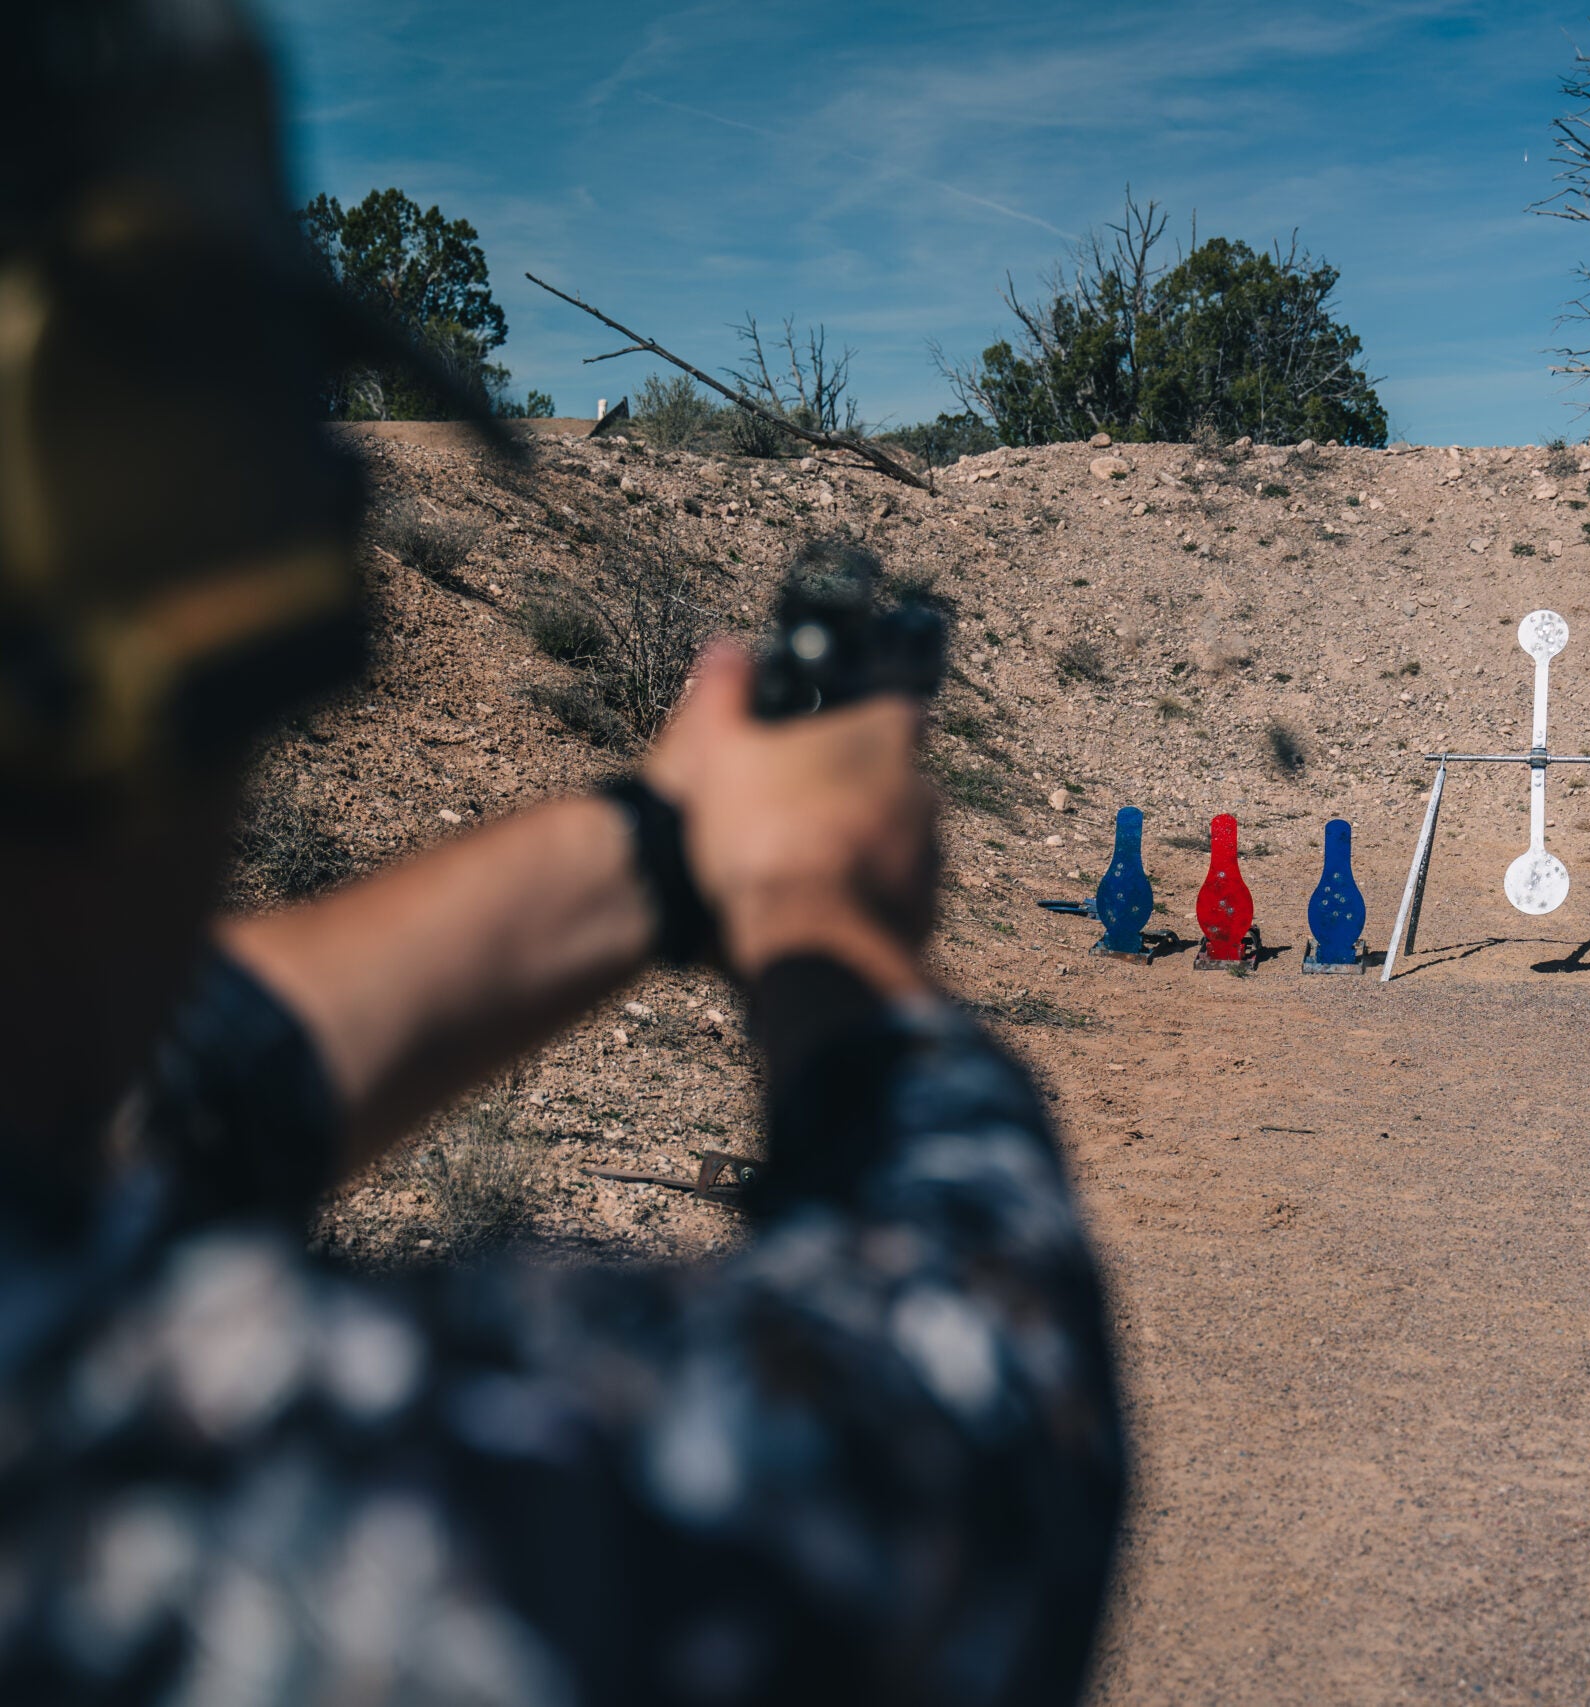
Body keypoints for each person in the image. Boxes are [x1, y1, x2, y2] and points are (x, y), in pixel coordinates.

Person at [0, 3, 1124, 1702]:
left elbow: (150, 1094)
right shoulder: (177, 1500)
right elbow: (964, 1417)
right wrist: (826, 921)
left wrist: (666, 845)